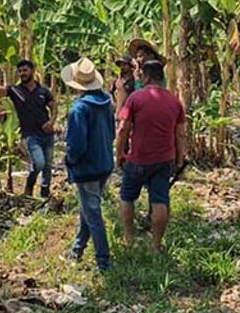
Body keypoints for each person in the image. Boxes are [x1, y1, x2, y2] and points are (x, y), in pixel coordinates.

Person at [116, 60, 186, 254]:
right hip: (164, 160)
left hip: (138, 158)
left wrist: (119, 154)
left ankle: (129, 238)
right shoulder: (175, 101)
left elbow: (123, 130)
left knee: (127, 197)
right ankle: (156, 245)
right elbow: (180, 134)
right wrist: (179, 161)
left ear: (145, 77)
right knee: (160, 201)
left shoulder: (135, 99)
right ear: (161, 77)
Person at [62, 57, 115, 272]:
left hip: (88, 168)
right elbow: (111, 132)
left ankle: (104, 262)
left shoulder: (79, 110)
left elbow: (76, 145)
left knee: (93, 214)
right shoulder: (106, 101)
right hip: (104, 163)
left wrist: (70, 160)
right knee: (88, 209)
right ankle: (77, 249)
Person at [0, 60, 57, 197]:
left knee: (48, 166)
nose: (22, 74)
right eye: (20, 71)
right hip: (31, 135)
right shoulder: (15, 90)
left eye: (25, 70)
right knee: (39, 163)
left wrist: (51, 121)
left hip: (47, 134)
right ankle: (29, 186)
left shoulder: (43, 90)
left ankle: (44, 194)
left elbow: (53, 107)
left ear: (32, 71)